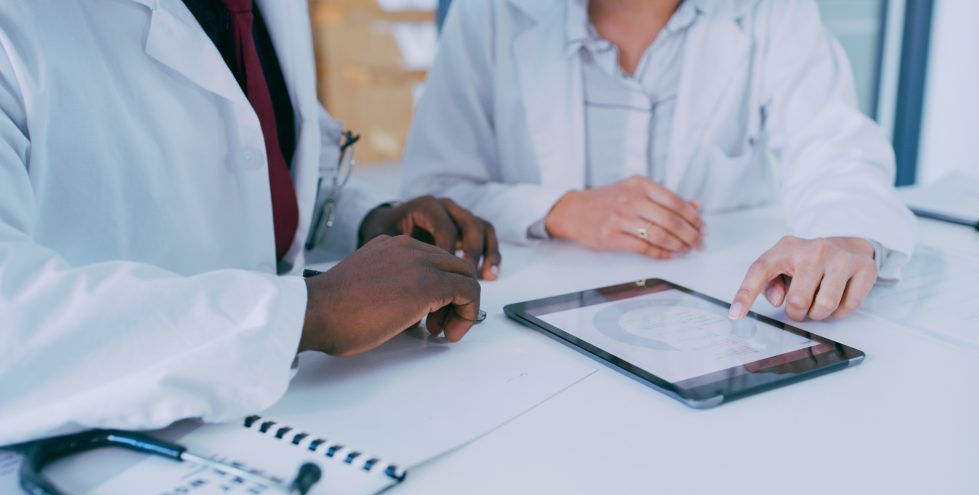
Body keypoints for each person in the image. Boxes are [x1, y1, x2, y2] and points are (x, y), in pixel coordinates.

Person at [0, 0, 501, 446]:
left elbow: (265, 150)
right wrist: (308, 314)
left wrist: (369, 218)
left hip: (307, 412)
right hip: (110, 451)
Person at [403, 0, 917, 323]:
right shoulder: (491, 12)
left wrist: (848, 235)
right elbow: (431, 191)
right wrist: (559, 209)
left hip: (718, 313)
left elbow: (832, 147)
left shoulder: (771, 11)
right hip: (527, 313)